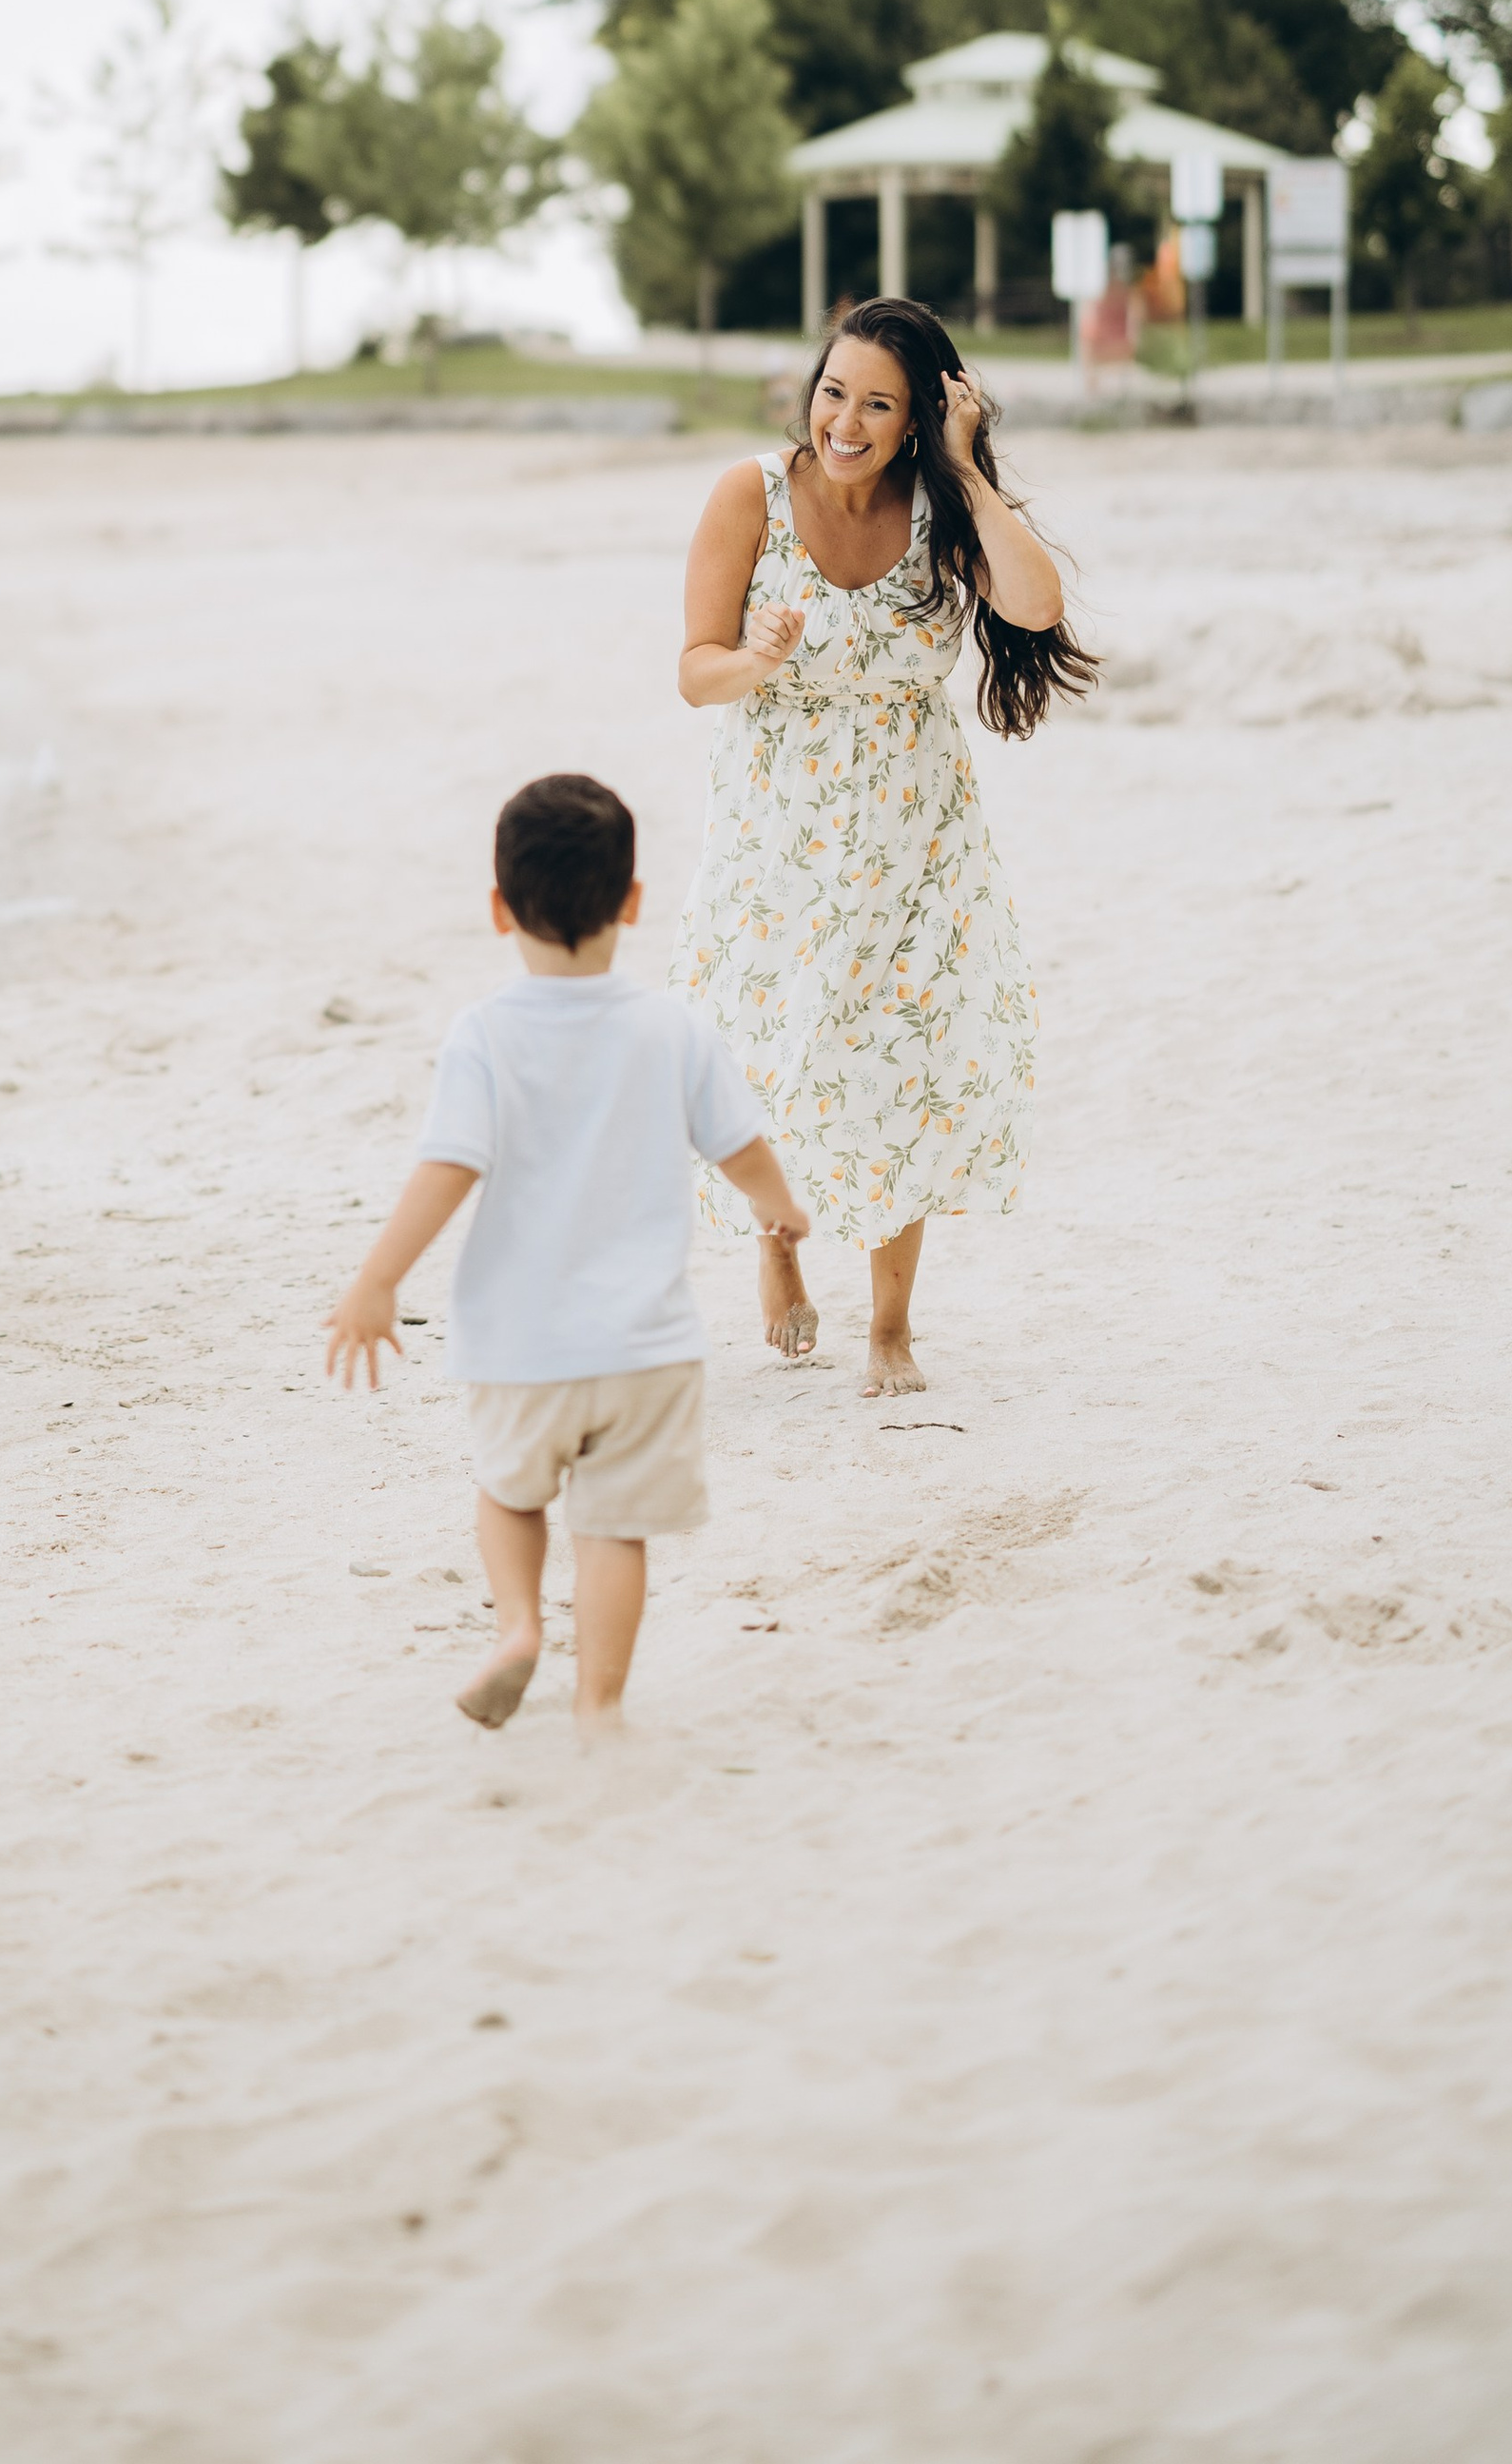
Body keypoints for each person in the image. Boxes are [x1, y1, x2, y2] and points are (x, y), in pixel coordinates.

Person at [670, 296, 1094, 1400]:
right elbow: (693, 671)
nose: (843, 421)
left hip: (915, 832)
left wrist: (966, 468)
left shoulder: (938, 503)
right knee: (778, 1048)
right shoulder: (748, 495)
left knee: (901, 1060)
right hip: (776, 829)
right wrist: (758, 656)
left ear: (915, 419)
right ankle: (777, 1247)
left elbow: (1038, 606)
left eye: (876, 404)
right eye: (831, 392)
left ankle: (892, 1328)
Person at [325, 774, 810, 1735]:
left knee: (511, 1497)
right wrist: (782, 1208)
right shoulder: (672, 1027)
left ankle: (515, 1629)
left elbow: (447, 1166)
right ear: (631, 901)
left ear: (499, 910)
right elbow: (738, 1148)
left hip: (520, 1348)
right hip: (645, 1349)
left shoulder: (485, 1036)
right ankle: (599, 1707)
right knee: (613, 1531)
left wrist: (376, 1280)